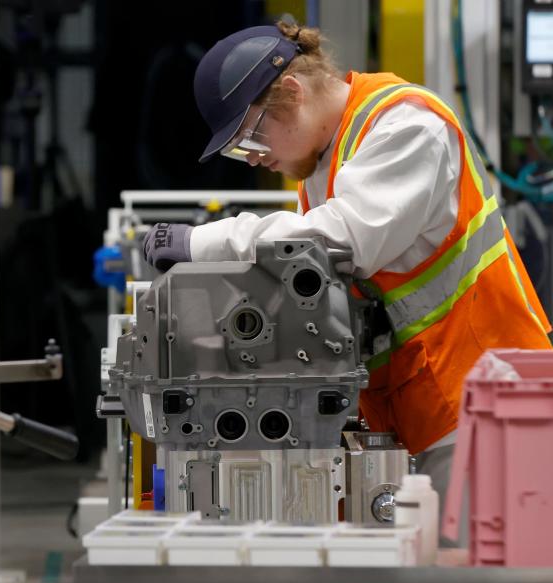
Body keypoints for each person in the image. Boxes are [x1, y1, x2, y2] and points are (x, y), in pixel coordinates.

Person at [143, 21, 552, 512]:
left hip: (487, 403)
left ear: (292, 93)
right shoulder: (324, 165)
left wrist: (203, 242)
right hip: (431, 407)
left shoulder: (406, 126)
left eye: (249, 139)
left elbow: (342, 238)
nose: (251, 160)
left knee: (477, 577)